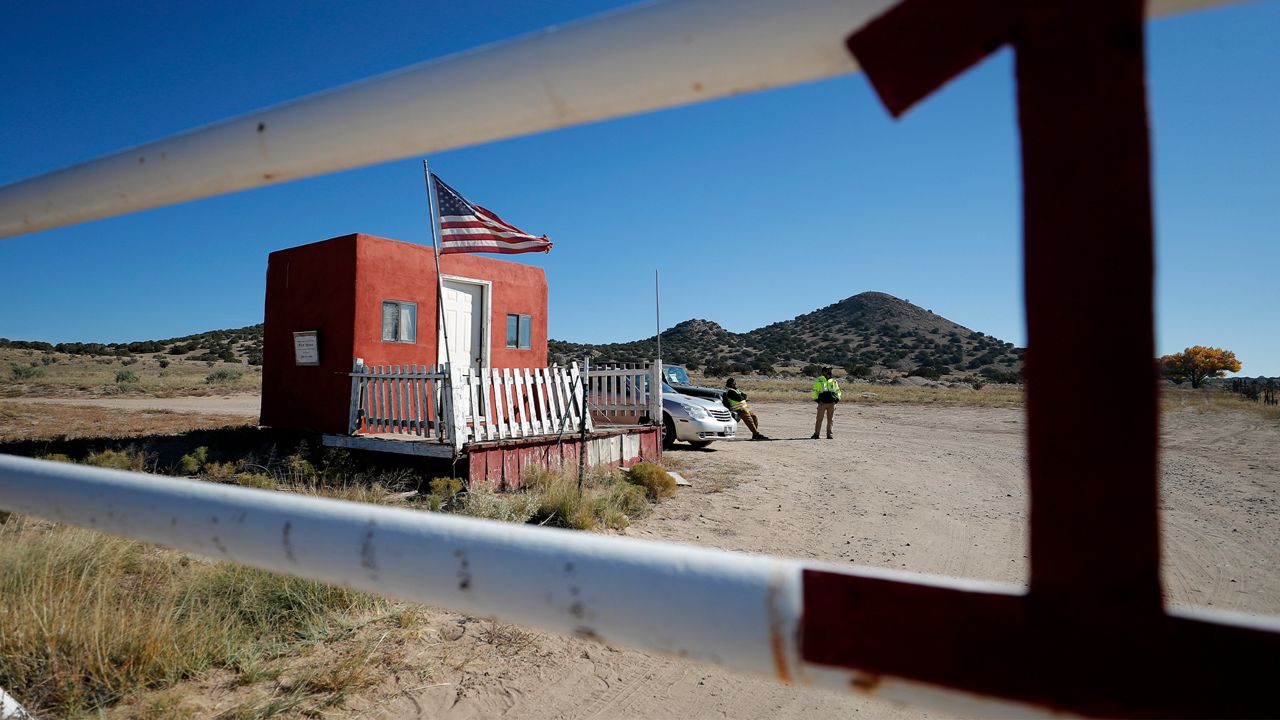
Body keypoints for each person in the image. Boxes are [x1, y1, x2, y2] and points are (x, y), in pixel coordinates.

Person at [811, 367, 841, 439]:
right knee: (819, 419)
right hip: (822, 403)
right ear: (823, 372)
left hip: (832, 403)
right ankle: (816, 434)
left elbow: (837, 391)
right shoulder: (819, 380)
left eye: (830, 371)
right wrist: (818, 401)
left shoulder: (833, 381)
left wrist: (837, 399)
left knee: (830, 420)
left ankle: (829, 434)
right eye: (828, 371)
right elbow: (815, 391)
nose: (829, 372)